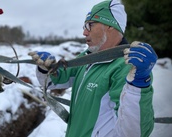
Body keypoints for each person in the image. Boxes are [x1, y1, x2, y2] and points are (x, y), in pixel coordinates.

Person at [28, 0, 157, 136]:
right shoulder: (88, 57)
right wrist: (46, 69)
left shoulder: (127, 67)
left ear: (110, 26)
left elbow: (134, 133)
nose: (84, 32)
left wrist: (138, 86)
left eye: (90, 25)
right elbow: (56, 81)